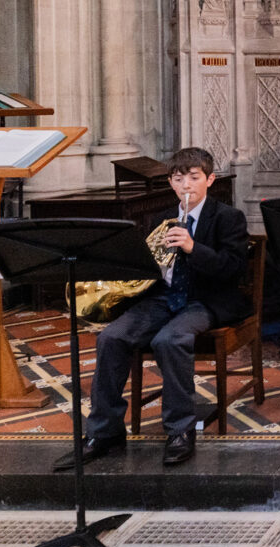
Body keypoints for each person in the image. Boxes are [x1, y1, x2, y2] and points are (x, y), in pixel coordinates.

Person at [56, 147, 249, 471]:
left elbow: (232, 269)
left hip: (205, 299)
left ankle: (179, 432)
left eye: (194, 177)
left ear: (210, 180)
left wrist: (192, 247)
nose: (186, 184)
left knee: (169, 340)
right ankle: (104, 432)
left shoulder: (228, 217)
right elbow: (144, 269)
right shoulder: (159, 218)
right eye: (178, 178)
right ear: (171, 183)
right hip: (163, 298)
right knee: (111, 338)